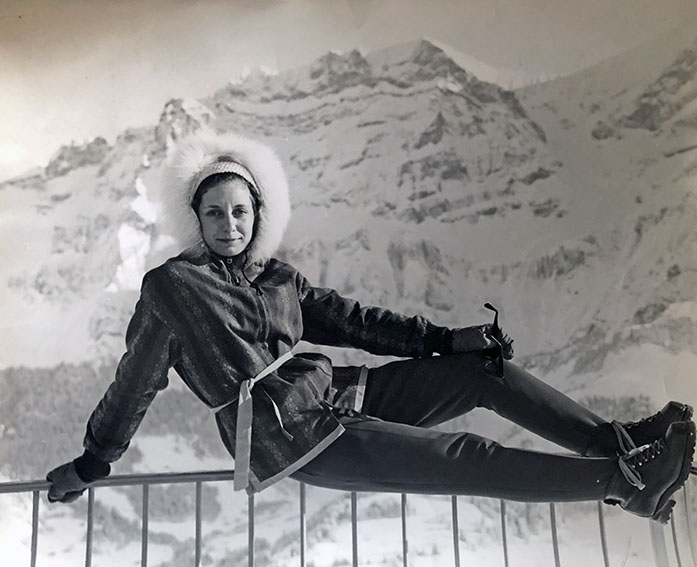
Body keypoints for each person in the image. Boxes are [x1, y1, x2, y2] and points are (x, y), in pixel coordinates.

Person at [47, 130, 695, 524]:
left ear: (258, 213)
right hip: (288, 434)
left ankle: (618, 444)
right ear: (195, 218)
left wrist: (447, 340)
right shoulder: (172, 288)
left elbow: (355, 322)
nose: (229, 225)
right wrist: (94, 460)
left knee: (480, 372)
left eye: (240, 211)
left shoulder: (276, 277)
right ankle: (626, 484)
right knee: (460, 457)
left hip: (338, 392)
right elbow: (134, 381)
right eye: (213, 213)